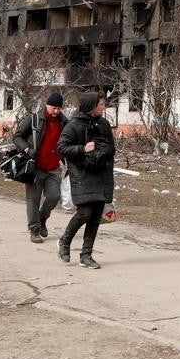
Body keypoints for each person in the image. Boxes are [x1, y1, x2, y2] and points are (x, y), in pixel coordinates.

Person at [56, 92, 116, 269]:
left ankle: (86, 255)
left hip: (101, 173)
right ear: (91, 106)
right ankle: (64, 241)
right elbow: (62, 148)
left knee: (96, 216)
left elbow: (110, 147)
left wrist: (104, 154)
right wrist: (83, 149)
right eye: (101, 104)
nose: (103, 107)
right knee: (84, 213)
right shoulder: (73, 125)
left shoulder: (103, 124)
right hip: (82, 175)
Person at [12, 92, 68, 244]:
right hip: (35, 167)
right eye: (54, 108)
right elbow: (17, 137)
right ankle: (34, 230)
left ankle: (42, 218)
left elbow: (68, 142)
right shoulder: (34, 119)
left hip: (54, 167)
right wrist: (27, 150)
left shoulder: (64, 122)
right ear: (47, 105)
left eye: (59, 108)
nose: (56, 111)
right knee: (33, 200)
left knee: (54, 196)